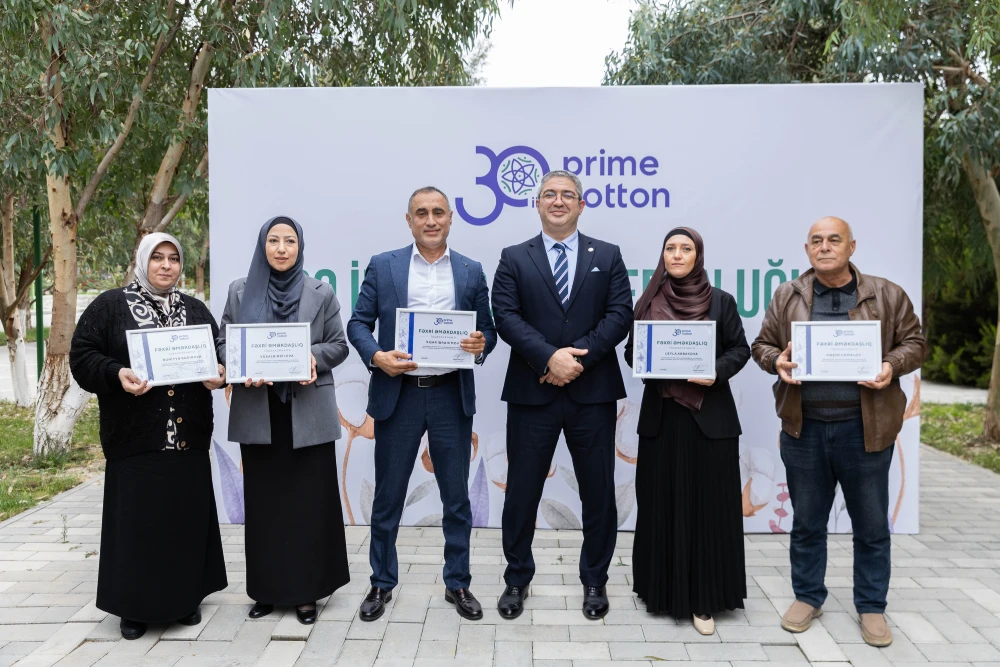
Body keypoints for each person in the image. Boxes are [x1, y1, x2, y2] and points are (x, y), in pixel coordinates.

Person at [752, 216, 927, 647]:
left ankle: (871, 605)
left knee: (871, 525)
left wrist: (891, 365)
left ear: (852, 247)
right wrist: (776, 361)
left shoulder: (886, 294)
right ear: (807, 249)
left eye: (834, 239)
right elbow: (762, 346)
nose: (825, 246)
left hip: (864, 429)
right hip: (805, 428)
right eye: (817, 241)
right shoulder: (787, 295)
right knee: (807, 523)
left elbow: (916, 344)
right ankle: (808, 596)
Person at [347, 186, 497, 621]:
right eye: (421, 213)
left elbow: (487, 331)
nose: (431, 220)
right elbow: (358, 323)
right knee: (388, 496)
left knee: (457, 498)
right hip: (399, 395)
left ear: (450, 218)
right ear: (409, 220)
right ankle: (381, 583)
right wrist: (377, 356)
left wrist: (480, 344)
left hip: (451, 394)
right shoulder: (384, 265)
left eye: (438, 213)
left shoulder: (471, 270)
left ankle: (458, 583)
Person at [70, 233, 228, 640]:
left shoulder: (195, 309)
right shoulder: (110, 306)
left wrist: (220, 373)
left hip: (187, 440)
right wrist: (116, 373)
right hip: (135, 439)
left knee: (184, 520)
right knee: (137, 524)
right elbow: (82, 356)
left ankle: (185, 599)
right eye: (157, 257)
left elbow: (218, 354)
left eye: (173, 258)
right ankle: (134, 609)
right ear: (142, 261)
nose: (166, 265)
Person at [491, 170, 633, 620]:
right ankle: (517, 578)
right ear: (537, 203)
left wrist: (575, 361)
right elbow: (505, 315)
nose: (558, 201)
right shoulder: (514, 257)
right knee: (522, 491)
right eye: (549, 194)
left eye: (567, 195)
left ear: (581, 204)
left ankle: (595, 580)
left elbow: (620, 314)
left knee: (598, 492)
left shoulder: (607, 255)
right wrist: (549, 358)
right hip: (532, 391)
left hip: (592, 393)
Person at [217, 216, 351, 625]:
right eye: (273, 240)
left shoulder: (321, 291)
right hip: (259, 411)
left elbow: (339, 345)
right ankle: (267, 590)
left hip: (307, 410)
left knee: (308, 504)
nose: (280, 248)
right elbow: (223, 342)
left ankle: (307, 592)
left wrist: (313, 357)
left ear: (299, 247)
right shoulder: (239, 290)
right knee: (265, 505)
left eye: (289, 241)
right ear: (263, 246)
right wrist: (240, 365)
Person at [624, 227, 749, 634]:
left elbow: (740, 349)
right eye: (670, 248)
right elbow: (631, 353)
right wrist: (650, 361)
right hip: (662, 420)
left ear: (698, 255)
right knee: (662, 504)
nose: (677, 254)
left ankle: (703, 599)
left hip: (710, 421)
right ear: (663, 255)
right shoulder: (647, 302)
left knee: (708, 508)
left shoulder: (721, 301)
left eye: (686, 248)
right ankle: (662, 592)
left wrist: (715, 371)